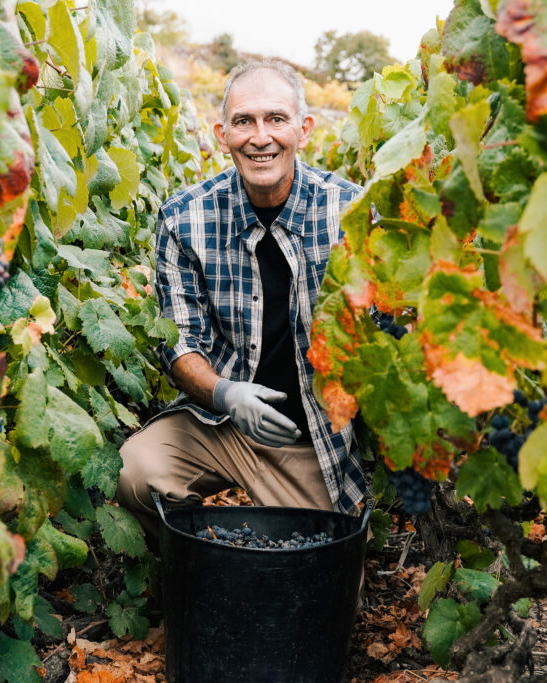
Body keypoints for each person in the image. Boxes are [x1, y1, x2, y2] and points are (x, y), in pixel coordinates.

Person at [116, 59, 367, 542]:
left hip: (307, 436)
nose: (260, 136)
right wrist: (226, 394)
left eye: (276, 119)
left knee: (322, 564)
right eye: (243, 121)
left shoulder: (350, 212)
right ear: (221, 133)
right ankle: (194, 560)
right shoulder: (184, 220)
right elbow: (180, 343)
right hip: (219, 424)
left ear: (304, 129)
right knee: (134, 472)